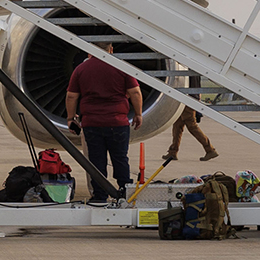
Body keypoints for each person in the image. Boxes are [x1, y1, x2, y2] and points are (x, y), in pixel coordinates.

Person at [64, 41, 142, 204]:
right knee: (120, 158)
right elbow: (135, 92)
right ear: (111, 50)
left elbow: (71, 96)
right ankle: (124, 192)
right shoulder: (121, 66)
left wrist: (71, 118)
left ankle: (100, 195)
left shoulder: (81, 69)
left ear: (89, 51)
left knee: (96, 161)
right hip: (118, 122)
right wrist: (138, 114)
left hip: (92, 123)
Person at [159, 102, 217, 168]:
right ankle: (173, 152)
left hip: (187, 103)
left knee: (192, 127)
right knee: (177, 126)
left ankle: (210, 149)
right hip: (182, 103)